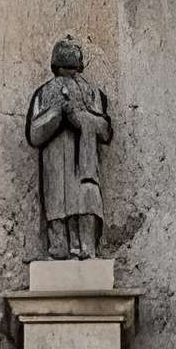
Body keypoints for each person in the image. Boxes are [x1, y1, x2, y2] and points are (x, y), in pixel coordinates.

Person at [25, 36, 112, 261]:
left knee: (86, 200)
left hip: (85, 165)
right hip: (55, 163)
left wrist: (81, 118)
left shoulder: (92, 93)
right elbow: (34, 134)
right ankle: (58, 247)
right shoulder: (44, 93)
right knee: (57, 202)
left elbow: (105, 130)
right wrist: (57, 114)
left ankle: (86, 247)